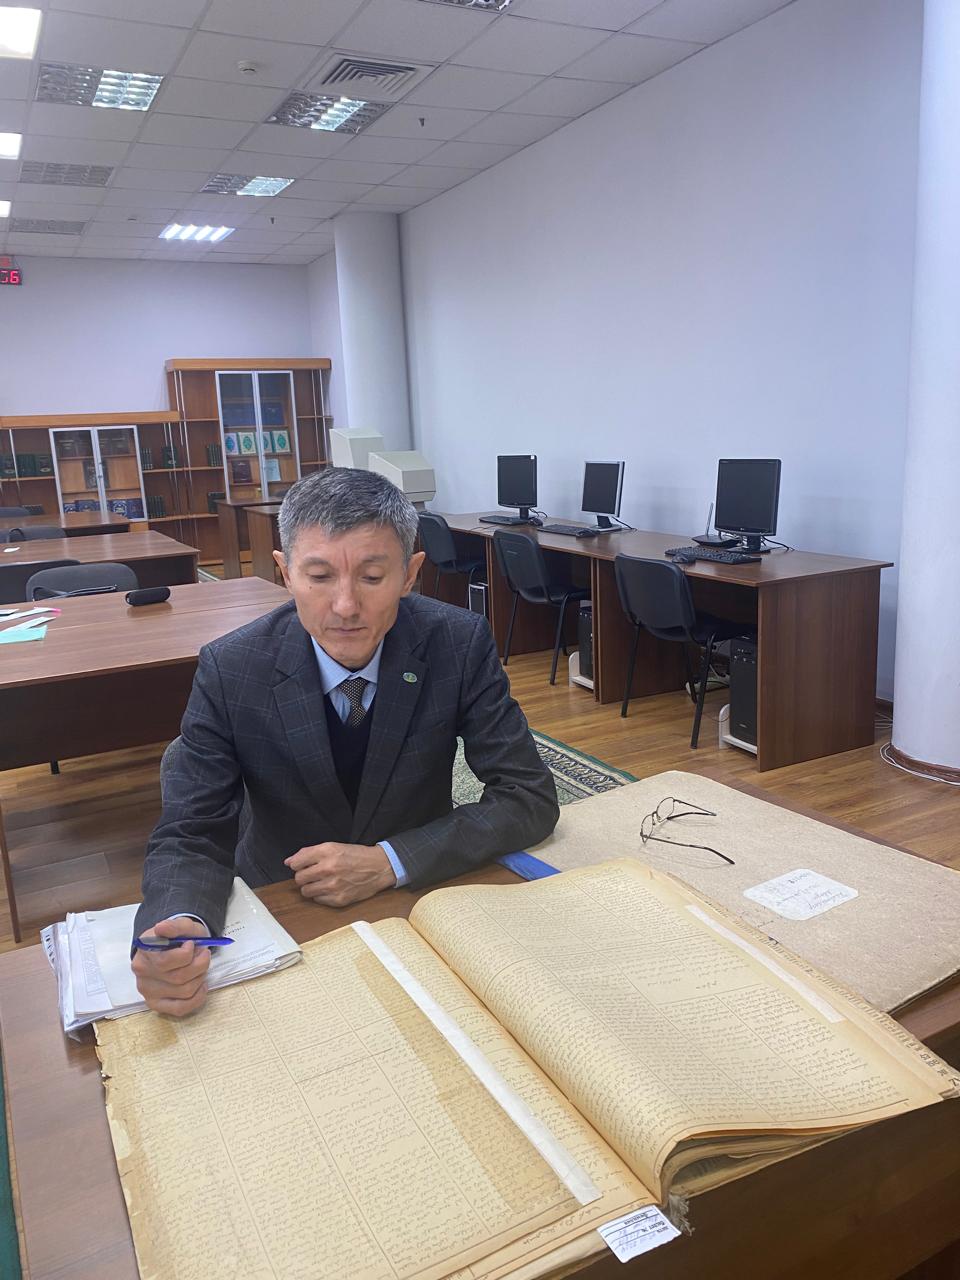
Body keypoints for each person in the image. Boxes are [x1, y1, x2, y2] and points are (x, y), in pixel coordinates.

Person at [132, 467, 559, 1016]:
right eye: (319, 576)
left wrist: (390, 861)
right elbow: (191, 830)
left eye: (372, 577)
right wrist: (180, 924)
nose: (345, 606)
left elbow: (528, 797)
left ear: (410, 574)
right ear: (286, 573)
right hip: (282, 903)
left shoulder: (458, 643)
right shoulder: (232, 668)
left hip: (418, 899)